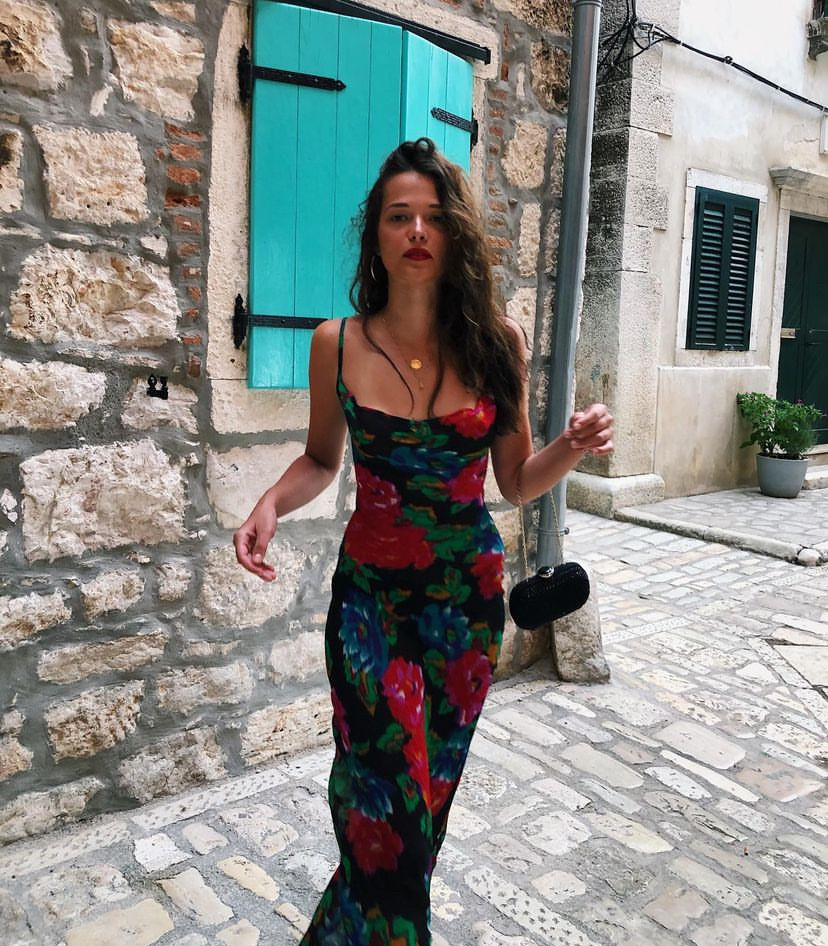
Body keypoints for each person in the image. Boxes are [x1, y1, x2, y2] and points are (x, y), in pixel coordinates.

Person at [234, 137, 613, 946]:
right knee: (382, 813)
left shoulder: (497, 344)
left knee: (418, 820)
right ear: (375, 234)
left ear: (455, 235)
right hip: (369, 606)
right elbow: (320, 460)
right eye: (399, 216)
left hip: (464, 614)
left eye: (434, 218)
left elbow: (517, 480)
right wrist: (270, 502)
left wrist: (572, 447)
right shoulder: (336, 343)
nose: (416, 231)